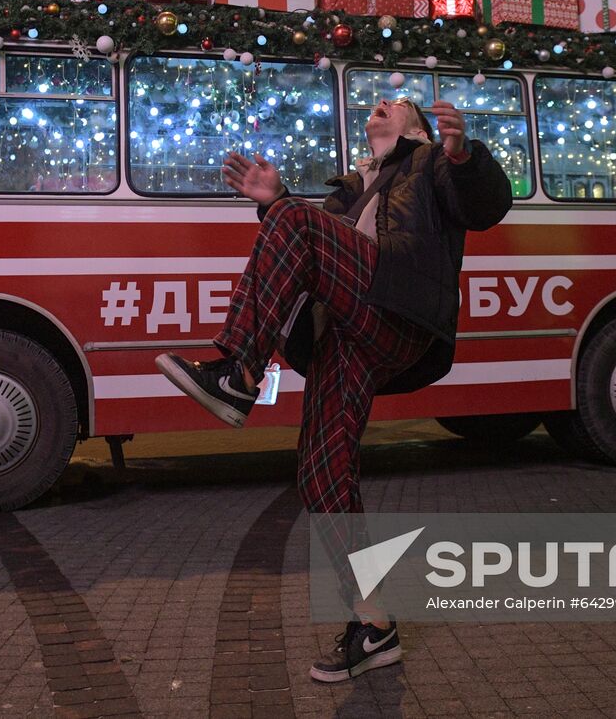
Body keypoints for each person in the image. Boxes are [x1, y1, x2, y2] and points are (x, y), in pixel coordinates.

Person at [156, 95, 512, 682]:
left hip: (398, 305)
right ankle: (374, 625)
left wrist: (464, 154)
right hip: (344, 327)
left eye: (393, 105)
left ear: (417, 128)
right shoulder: (349, 190)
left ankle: (239, 373)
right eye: (374, 105)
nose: (377, 107)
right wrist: (278, 202)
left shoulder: (431, 163)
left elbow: (484, 206)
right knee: (321, 473)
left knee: (296, 221)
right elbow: (316, 250)